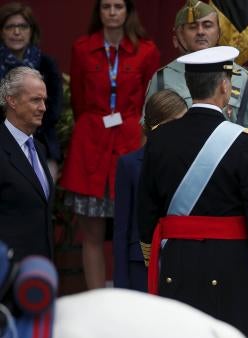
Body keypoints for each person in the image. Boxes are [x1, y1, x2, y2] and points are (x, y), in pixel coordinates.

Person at [137, 46, 248, 338]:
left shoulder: (159, 139)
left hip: (176, 261)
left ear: (188, 86)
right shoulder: (244, 142)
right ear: (225, 86)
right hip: (232, 267)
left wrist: (156, 260)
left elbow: (146, 211)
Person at [59, 0, 160, 290]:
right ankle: (95, 300)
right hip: (89, 147)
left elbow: (149, 101)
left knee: (130, 229)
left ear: (128, 11)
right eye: (106, 7)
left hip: (130, 142)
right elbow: (78, 97)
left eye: (118, 6)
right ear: (98, 12)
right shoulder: (82, 48)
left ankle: (129, 296)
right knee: (91, 233)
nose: (112, 12)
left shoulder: (146, 50)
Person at [144, 0, 248, 137]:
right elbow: (149, 131)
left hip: (226, 159)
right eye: (192, 26)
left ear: (219, 33)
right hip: (175, 159)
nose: (200, 31)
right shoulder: (163, 77)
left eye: (207, 25)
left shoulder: (242, 78)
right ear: (180, 35)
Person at [113, 89, 186, 292]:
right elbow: (121, 230)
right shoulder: (129, 164)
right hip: (141, 265)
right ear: (159, 125)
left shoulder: (190, 163)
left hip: (180, 262)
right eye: (178, 122)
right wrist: (121, 283)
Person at [0, 3, 61, 179]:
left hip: (40, 143)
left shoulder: (47, 64)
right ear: (1, 31)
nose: (16, 32)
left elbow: (54, 109)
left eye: (23, 26)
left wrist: (30, 130)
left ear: (31, 31)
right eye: (10, 26)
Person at [0, 66, 53, 261]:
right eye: (35, 100)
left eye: (44, 100)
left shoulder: (38, 148)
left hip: (37, 271)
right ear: (12, 100)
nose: (43, 108)